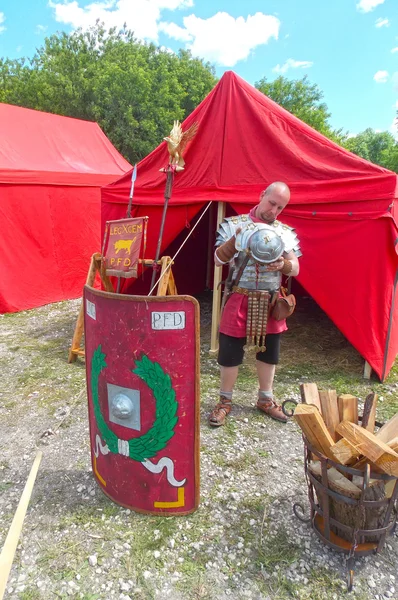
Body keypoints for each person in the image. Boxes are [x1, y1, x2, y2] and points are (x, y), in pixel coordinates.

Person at [209, 182, 302, 427]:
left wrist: (282, 265)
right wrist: (236, 240)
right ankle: (224, 401)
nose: (274, 211)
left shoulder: (282, 231)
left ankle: (265, 399)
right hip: (239, 296)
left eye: (280, 207)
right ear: (262, 196)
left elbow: (296, 268)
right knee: (229, 352)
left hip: (270, 300)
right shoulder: (235, 224)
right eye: (272, 203)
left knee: (269, 352)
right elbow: (218, 259)